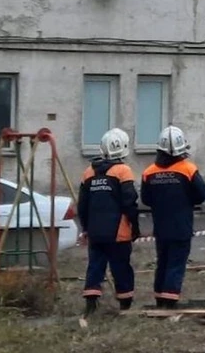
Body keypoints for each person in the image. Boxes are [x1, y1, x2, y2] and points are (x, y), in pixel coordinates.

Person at [141, 125, 205, 308]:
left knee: (162, 262)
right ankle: (170, 301)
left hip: (160, 227)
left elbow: (146, 199)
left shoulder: (149, 172)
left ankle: (159, 298)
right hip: (182, 226)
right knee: (176, 263)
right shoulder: (188, 169)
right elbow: (202, 194)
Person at [78, 128, 140, 317]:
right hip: (118, 232)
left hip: (96, 232)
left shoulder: (88, 172)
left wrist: (86, 228)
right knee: (121, 267)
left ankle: (90, 303)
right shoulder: (123, 171)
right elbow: (130, 201)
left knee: (95, 266)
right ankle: (125, 304)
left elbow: (83, 205)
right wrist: (135, 226)